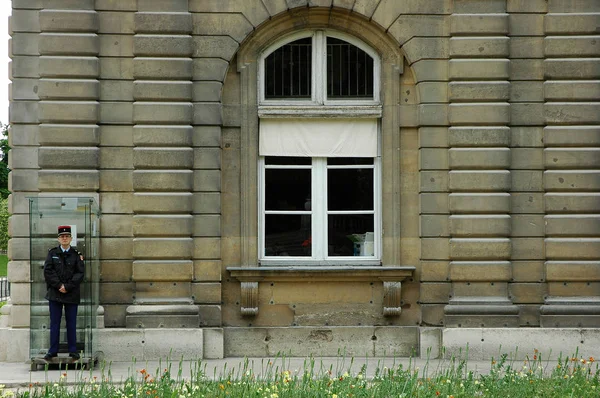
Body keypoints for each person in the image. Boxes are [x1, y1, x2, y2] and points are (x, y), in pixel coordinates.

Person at [43, 225, 85, 361]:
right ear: (58, 239)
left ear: (71, 239)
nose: (64, 238)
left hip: (71, 293)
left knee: (71, 323)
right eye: (62, 236)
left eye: (67, 236)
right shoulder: (52, 253)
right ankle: (52, 351)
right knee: (55, 323)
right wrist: (59, 285)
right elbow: (48, 272)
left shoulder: (76, 255)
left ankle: (73, 351)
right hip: (55, 294)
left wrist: (67, 286)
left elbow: (80, 273)